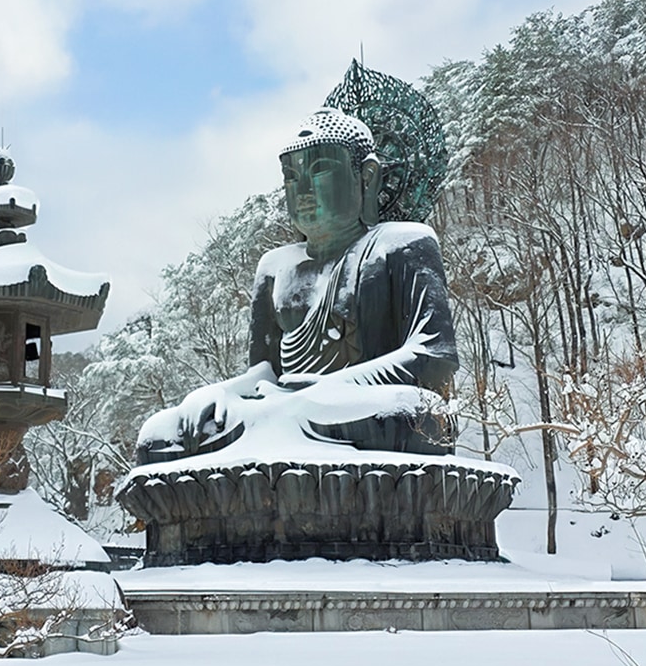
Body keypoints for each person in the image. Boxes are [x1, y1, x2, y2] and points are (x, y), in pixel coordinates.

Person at [135, 107, 458, 464]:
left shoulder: (402, 244)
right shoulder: (274, 266)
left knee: (413, 414)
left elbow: (435, 356)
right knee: (161, 439)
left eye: (320, 169)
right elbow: (265, 373)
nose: (301, 188)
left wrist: (330, 389)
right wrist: (219, 392)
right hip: (287, 407)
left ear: (367, 177)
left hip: (357, 406)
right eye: (291, 175)